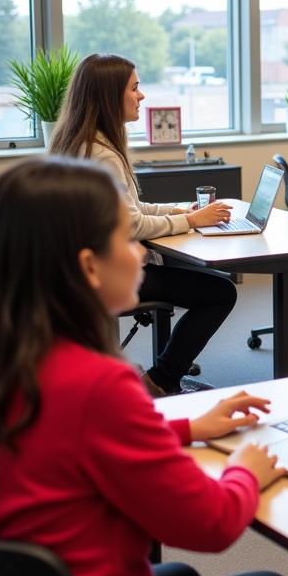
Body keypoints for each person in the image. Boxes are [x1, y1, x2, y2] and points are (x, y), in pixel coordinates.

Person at [0, 158, 288, 576]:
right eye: (124, 240)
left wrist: (185, 429)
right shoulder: (98, 383)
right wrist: (247, 471)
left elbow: (71, 445)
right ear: (88, 267)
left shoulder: (7, 365)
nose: (138, 256)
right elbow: (211, 525)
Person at [51, 52, 237, 395]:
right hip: (108, 272)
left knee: (204, 282)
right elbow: (132, 225)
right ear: (110, 96)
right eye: (134, 88)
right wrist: (190, 220)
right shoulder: (102, 154)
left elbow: (130, 208)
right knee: (220, 291)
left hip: (83, 269)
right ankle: (162, 379)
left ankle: (162, 374)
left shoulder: (81, 142)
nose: (142, 96)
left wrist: (179, 211)